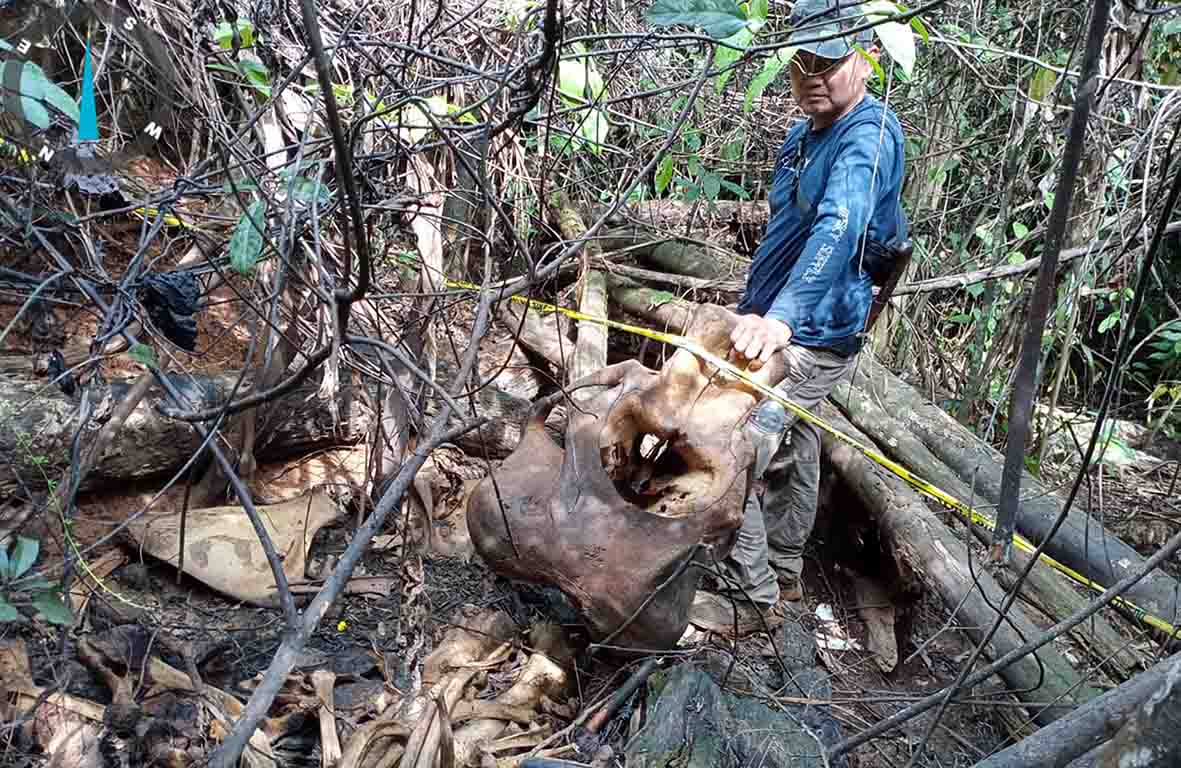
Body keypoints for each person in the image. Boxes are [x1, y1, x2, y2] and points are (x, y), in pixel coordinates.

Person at [690, 0, 910, 634]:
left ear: (865, 60)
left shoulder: (868, 136)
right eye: (801, 61)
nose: (812, 74)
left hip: (819, 329)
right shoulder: (802, 136)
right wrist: (753, 308)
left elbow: (840, 226)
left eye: (829, 60)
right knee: (800, 432)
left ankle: (751, 593)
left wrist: (781, 319)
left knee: (735, 442)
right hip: (779, 315)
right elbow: (787, 229)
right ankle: (784, 562)